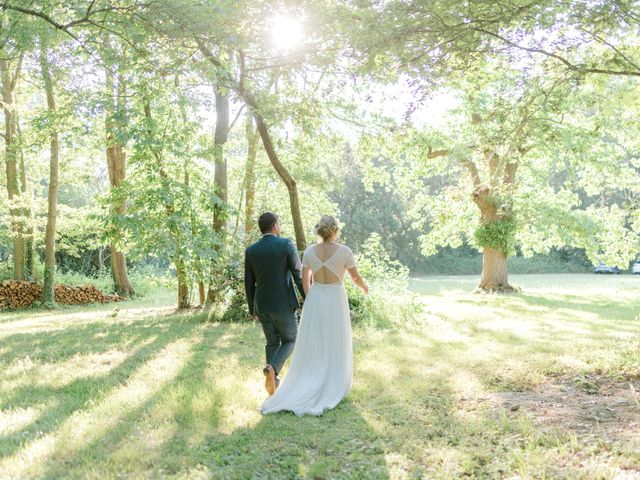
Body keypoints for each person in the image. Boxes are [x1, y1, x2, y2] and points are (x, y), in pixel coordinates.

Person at [261, 215, 368, 416]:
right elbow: (355, 277)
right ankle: (333, 378)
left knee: (315, 340)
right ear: (335, 230)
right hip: (336, 297)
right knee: (336, 337)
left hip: (316, 297)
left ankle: (312, 374)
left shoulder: (310, 252)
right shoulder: (344, 251)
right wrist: (364, 287)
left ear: (319, 230)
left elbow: (304, 280)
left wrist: (311, 299)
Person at [244, 212, 305, 396]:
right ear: (275, 226)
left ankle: (273, 383)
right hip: (283, 304)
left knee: (272, 342)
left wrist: (251, 308)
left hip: (261, 305)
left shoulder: (251, 250)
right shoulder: (286, 244)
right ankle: (272, 369)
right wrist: (307, 298)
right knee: (291, 339)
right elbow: (297, 273)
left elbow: (248, 282)